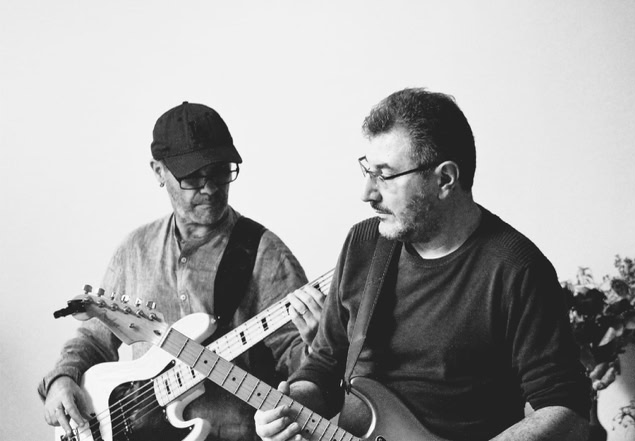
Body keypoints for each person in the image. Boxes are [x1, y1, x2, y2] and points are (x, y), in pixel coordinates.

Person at [254, 88, 592, 440]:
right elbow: (325, 366)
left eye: (385, 175)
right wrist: (289, 407)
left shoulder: (517, 269)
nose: (367, 193)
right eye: (367, 170)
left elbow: (563, 406)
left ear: (445, 179)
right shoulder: (363, 244)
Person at [39, 101, 325, 441]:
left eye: (220, 171)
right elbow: (95, 338)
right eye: (192, 177)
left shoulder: (267, 254)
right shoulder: (135, 250)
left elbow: (302, 366)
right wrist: (63, 378)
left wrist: (316, 343)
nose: (211, 188)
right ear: (158, 171)